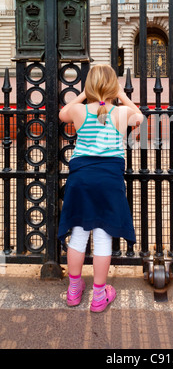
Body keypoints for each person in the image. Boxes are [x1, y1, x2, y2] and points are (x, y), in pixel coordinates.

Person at [58, 64, 144, 312]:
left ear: (90, 86)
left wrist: (85, 93)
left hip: (82, 178)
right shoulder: (120, 113)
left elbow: (63, 113)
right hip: (109, 179)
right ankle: (98, 295)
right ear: (113, 86)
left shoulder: (79, 111)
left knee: (78, 235)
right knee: (104, 235)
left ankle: (74, 290)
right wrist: (123, 96)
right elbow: (140, 118)